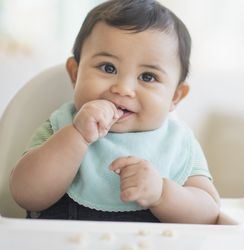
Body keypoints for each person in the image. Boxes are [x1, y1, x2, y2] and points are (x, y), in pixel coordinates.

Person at [9, 0, 220, 224]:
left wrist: (162, 194)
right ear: (75, 73)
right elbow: (26, 195)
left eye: (148, 77)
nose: (123, 89)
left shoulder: (178, 143)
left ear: (175, 96)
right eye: (108, 68)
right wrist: (76, 136)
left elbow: (209, 213)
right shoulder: (59, 126)